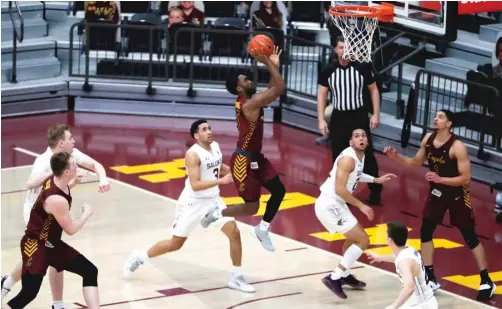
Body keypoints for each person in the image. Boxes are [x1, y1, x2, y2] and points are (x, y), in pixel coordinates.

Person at [123, 120, 255, 293]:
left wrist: (235, 172)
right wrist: (221, 181)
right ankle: (140, 257)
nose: (209, 131)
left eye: (209, 128)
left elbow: (218, 166)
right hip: (193, 203)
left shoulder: (215, 146)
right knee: (175, 244)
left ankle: (236, 277)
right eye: (204, 129)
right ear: (196, 136)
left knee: (234, 232)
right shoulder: (192, 155)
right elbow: (195, 185)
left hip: (213, 200)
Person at [383, 109, 496, 300]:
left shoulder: (457, 146)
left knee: (469, 236)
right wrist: (396, 158)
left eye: (441, 117)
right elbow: (416, 163)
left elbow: (466, 178)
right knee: (426, 230)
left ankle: (486, 280)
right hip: (437, 192)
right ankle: (430, 276)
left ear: (449, 124)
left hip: (457, 194)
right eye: (435, 116)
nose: (436, 119)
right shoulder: (428, 139)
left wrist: (440, 178)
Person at [1, 124, 110, 309]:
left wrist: (81, 180)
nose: (74, 141)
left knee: (88, 270)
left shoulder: (62, 176)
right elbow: (71, 229)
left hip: (49, 230)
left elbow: (89, 166)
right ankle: (8, 283)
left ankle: (57, 304)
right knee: (30, 291)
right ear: (65, 170)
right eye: (70, 138)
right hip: (37, 234)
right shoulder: (47, 171)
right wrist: (87, 213)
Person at [200, 46, 286, 252]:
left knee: (279, 191)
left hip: (257, 158)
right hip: (243, 162)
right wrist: (267, 63)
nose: (249, 80)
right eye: (245, 80)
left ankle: (262, 229)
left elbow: (273, 90)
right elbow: (279, 89)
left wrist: (273, 65)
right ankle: (217, 213)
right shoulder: (249, 104)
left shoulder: (252, 100)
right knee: (252, 207)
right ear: (239, 89)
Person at [315, 128, 396, 299]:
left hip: (337, 203)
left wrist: (376, 179)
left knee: (353, 239)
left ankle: (345, 275)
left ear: (367, 141)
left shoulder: (359, 156)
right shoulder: (347, 159)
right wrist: (362, 206)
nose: (361, 138)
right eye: (357, 136)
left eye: (363, 136)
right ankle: (334, 277)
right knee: (363, 240)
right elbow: (339, 189)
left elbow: (357, 174)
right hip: (330, 204)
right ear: (351, 142)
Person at [317, 36, 383, 205]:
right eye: (340, 48)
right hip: (339, 117)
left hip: (358, 116)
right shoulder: (329, 70)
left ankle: (375, 191)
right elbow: (322, 94)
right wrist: (321, 119)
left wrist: (376, 114)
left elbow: (374, 90)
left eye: (347, 48)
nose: (344, 51)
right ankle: (342, 192)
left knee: (366, 155)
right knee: (339, 157)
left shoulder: (362, 67)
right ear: (335, 50)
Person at [366, 221, 438, 309]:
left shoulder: (404, 262)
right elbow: (398, 257)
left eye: (386, 234)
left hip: (420, 305)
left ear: (390, 240)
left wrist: (393, 307)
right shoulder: (409, 250)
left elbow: (409, 288)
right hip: (425, 301)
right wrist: (379, 258)